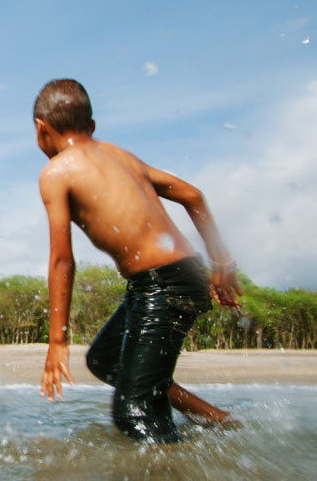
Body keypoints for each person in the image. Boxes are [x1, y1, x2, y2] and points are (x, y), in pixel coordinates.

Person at [33, 79, 242, 443]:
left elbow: (62, 261)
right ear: (92, 127)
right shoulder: (121, 155)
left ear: (41, 129)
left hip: (163, 283)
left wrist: (57, 341)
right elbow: (193, 196)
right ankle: (216, 419)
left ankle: (174, 465)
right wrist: (221, 266)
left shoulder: (56, 172)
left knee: (133, 412)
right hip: (175, 277)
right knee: (105, 359)